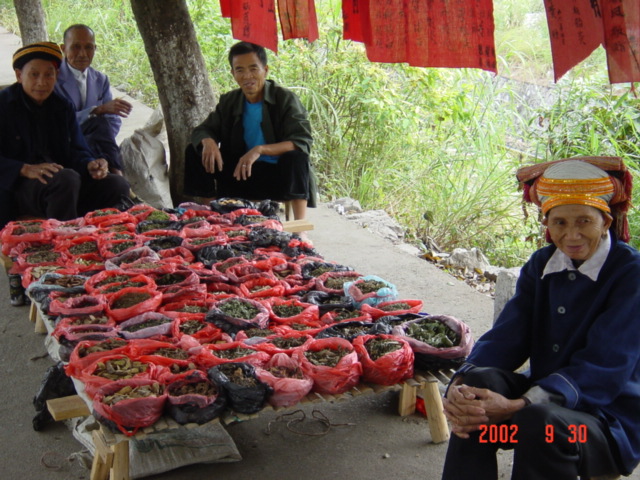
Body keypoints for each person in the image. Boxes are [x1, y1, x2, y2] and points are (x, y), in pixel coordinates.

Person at [441, 158, 640, 479]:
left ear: (605, 221)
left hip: (601, 426)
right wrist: (461, 384)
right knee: (477, 395)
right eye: (559, 222)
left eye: (584, 221)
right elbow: (508, 336)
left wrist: (518, 406)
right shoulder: (542, 263)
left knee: (542, 424)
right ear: (547, 223)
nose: (572, 235)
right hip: (541, 400)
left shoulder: (630, 273)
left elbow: (605, 367)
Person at [0, 42, 130, 228]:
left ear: (57, 75)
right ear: (19, 76)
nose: (42, 82)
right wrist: (23, 168)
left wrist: (91, 164)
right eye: (34, 74)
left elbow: (77, 149)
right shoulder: (3, 106)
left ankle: (107, 240)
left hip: (63, 182)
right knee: (65, 179)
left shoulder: (62, 106)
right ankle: (65, 243)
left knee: (116, 185)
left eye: (49, 74)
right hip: (18, 186)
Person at [185, 41, 314, 220]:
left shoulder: (284, 99)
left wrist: (259, 150)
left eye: (254, 69)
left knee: (297, 157)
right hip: (241, 174)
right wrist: (208, 141)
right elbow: (204, 129)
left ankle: (300, 226)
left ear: (265, 70)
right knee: (195, 150)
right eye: (240, 70)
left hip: (276, 178)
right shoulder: (229, 101)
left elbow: (302, 141)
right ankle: (211, 214)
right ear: (233, 73)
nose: (247, 76)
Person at [55, 24, 132, 175]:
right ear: (63, 49)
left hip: (94, 144)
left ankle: (113, 174)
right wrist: (96, 110)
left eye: (89, 47)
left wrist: (97, 141)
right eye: (76, 47)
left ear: (95, 49)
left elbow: (113, 122)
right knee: (98, 121)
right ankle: (119, 175)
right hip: (65, 142)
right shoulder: (53, 79)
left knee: (102, 124)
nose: (83, 54)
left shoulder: (100, 79)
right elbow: (59, 122)